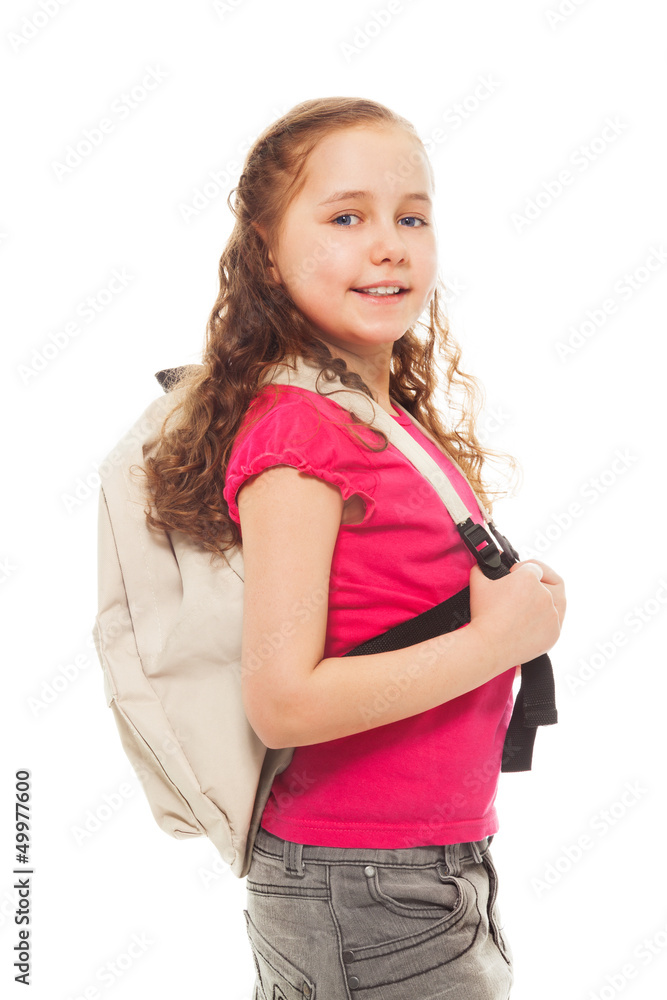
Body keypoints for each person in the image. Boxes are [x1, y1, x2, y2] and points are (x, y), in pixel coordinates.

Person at [144, 96, 566, 999]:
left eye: (411, 216)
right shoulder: (301, 437)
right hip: (365, 883)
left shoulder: (378, 421)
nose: (390, 243)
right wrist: (498, 642)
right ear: (263, 249)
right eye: (346, 218)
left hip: (417, 871)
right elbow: (284, 704)